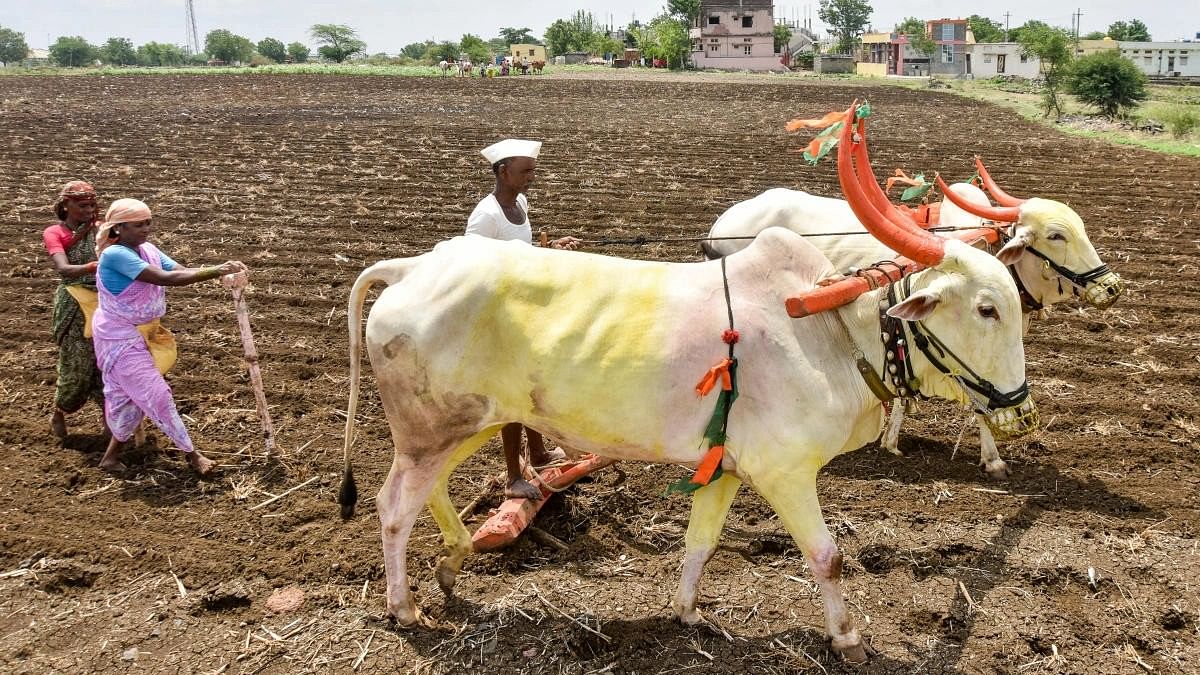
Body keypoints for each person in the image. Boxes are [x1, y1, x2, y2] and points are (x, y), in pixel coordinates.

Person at [91, 198, 247, 475]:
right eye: (138, 225)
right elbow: (165, 279)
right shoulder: (115, 255)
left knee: (130, 397)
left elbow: (177, 270)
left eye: (148, 223)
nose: (146, 229)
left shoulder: (147, 249)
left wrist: (219, 271)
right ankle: (192, 455)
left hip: (143, 333)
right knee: (157, 394)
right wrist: (215, 270)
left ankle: (110, 458)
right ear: (119, 228)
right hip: (120, 336)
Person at [466, 139, 581, 500]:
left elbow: (519, 252)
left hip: (523, 310)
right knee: (513, 394)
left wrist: (550, 247)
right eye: (525, 171)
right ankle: (514, 476)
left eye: (532, 170)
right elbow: (470, 265)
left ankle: (541, 452)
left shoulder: (520, 205)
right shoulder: (486, 215)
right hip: (498, 317)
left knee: (531, 384)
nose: (532, 177)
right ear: (503, 172)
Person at [42, 181, 105, 440]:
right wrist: (96, 266)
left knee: (106, 365)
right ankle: (60, 410)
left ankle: (112, 423)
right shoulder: (55, 233)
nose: (89, 210)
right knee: (77, 367)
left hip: (104, 303)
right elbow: (64, 269)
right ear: (66, 205)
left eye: (92, 205)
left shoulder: (102, 230)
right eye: (82, 206)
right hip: (74, 304)